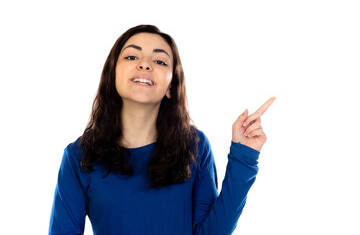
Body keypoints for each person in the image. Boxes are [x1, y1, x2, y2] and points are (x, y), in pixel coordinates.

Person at [48, 24, 275, 235]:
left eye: (160, 61)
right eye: (132, 56)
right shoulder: (78, 156)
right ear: (113, 75)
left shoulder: (194, 144)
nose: (145, 64)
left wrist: (244, 157)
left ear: (170, 86)